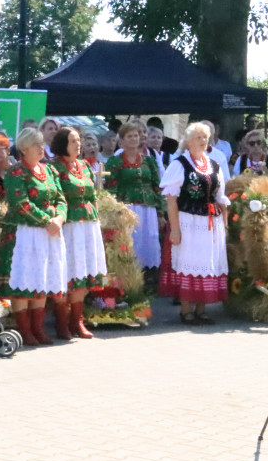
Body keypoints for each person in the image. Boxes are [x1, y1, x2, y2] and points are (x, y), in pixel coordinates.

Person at [0, 127, 68, 346]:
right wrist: (47, 221)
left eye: (41, 144)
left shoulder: (49, 171)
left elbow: (61, 199)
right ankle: (25, 330)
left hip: (49, 232)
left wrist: (59, 219)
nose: (41, 149)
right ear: (24, 149)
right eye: (36, 145)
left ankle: (38, 328)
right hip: (24, 233)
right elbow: (21, 204)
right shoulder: (16, 173)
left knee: (41, 278)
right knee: (23, 281)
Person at [158, 122, 230, 325]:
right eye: (198, 137)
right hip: (188, 221)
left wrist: (224, 225)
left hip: (211, 223)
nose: (203, 140)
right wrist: (175, 229)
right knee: (188, 262)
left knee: (207, 262)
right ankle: (186, 309)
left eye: (205, 137)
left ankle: (202, 309)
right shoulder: (179, 164)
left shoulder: (214, 165)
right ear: (188, 141)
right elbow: (171, 199)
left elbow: (221, 197)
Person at [50, 127, 107, 339]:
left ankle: (77, 321)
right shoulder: (54, 167)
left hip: (88, 225)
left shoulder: (83, 165)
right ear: (62, 143)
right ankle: (62, 323)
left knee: (83, 272)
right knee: (67, 272)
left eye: (78, 140)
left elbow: (91, 194)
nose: (78, 144)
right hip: (69, 225)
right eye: (73, 141)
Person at [104, 122, 165, 275]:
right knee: (131, 242)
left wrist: (160, 213)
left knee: (149, 241)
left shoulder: (149, 161)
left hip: (148, 208)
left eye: (136, 136)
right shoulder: (115, 162)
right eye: (129, 136)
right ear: (121, 141)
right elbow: (111, 188)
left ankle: (149, 277)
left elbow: (156, 186)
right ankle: (130, 279)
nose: (133, 139)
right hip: (127, 209)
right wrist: (114, 211)